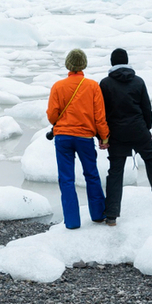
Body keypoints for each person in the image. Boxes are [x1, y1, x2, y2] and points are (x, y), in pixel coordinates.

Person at [99, 47, 152, 226]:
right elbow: (147, 109)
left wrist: (103, 135)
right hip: (138, 129)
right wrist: (147, 128)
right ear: (127, 61)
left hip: (116, 133)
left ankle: (112, 216)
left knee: (115, 172)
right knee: (151, 159)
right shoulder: (138, 81)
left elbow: (101, 113)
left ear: (112, 63)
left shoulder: (105, 84)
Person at [46, 48, 110, 229]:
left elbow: (52, 116)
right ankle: (98, 214)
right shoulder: (92, 86)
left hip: (63, 138)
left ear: (68, 64)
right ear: (84, 65)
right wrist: (104, 137)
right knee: (91, 175)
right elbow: (99, 116)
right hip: (84, 138)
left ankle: (72, 221)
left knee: (66, 179)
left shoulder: (58, 86)